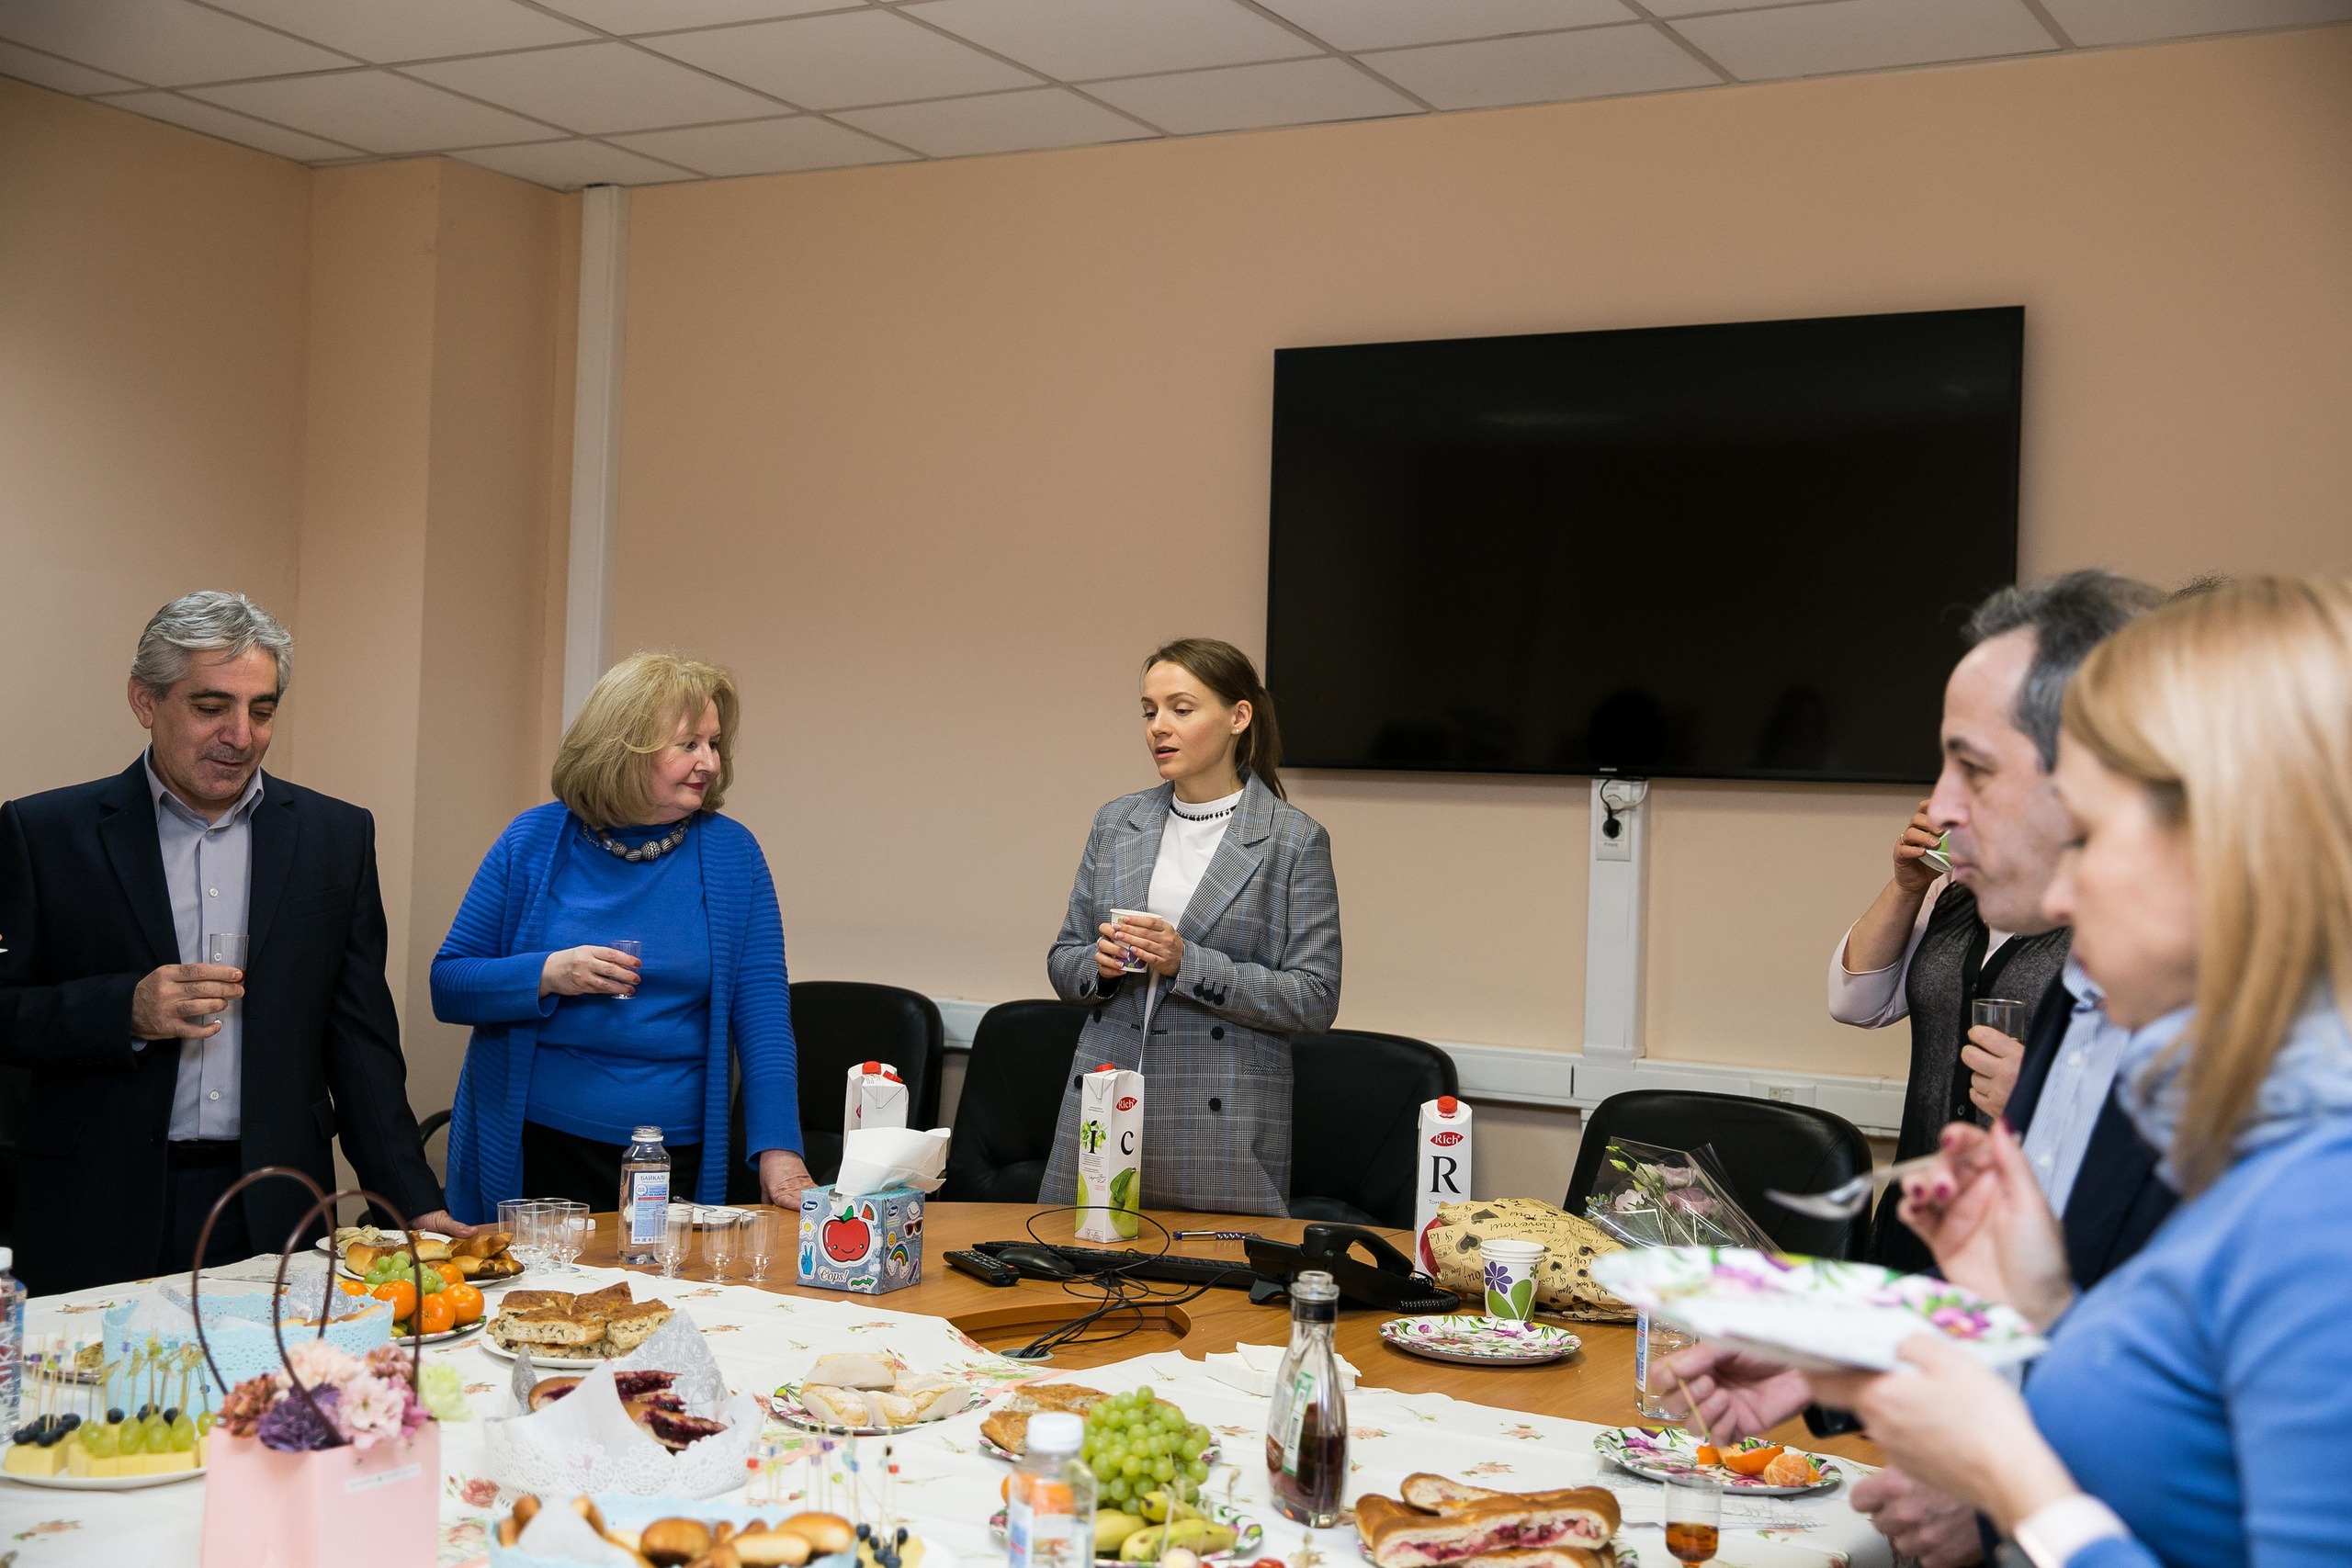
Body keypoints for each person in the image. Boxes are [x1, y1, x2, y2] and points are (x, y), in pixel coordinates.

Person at [1679, 577, 2352, 1566]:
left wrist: (2005, 1484)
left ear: (2231, 844)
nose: (2069, 892)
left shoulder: (2316, 1185)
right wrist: (1868, 1345)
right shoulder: (2194, 1072)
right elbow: (2169, 1407)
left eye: (2098, 831)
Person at [0, 592, 458, 1295]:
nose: (240, 735)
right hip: (97, 1205)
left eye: (262, 710)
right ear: (145, 701)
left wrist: (413, 1203)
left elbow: (361, 1043)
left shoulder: (335, 839)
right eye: (211, 707)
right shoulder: (45, 834)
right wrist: (123, 1008)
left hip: (277, 1204)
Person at [1828, 571, 2164, 1276]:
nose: (1942, 807)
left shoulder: (2254, 1056)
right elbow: (1854, 999)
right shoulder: (1991, 919)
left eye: (1975, 769)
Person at [432, 652, 810, 1222]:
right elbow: (448, 984)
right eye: (688, 744)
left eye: (714, 744)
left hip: (675, 1154)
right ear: (623, 750)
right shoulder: (533, 839)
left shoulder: (733, 853)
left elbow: (763, 1018)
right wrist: (548, 974)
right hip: (537, 1142)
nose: (709, 762)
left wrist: (780, 1150)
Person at [1040, 638, 1340, 1217]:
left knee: (1215, 1273)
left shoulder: (1293, 839)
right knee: (1075, 1262)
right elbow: (1064, 956)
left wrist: (1188, 963)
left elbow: (1315, 998)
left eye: (1181, 709)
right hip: (1104, 1098)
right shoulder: (1118, 821)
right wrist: (1099, 967)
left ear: (1238, 717)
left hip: (1220, 1117)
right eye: (1149, 711)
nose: (1159, 727)